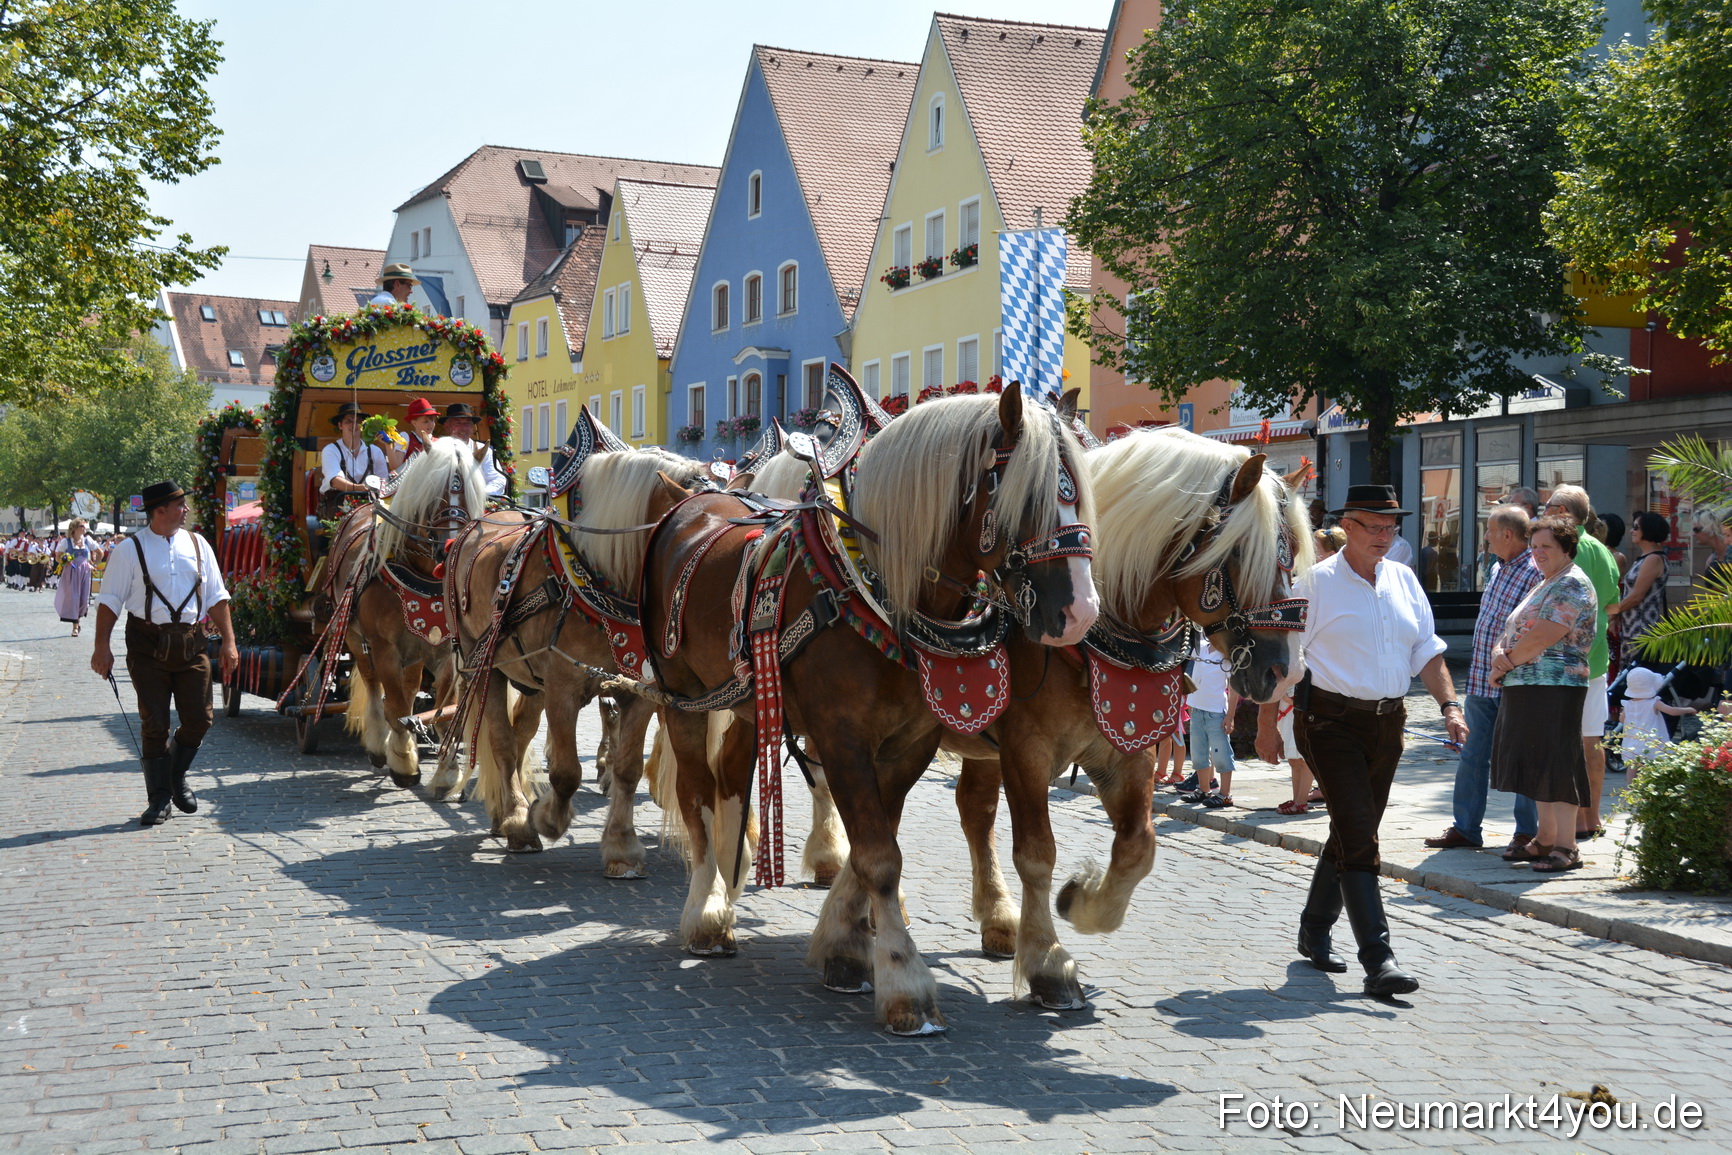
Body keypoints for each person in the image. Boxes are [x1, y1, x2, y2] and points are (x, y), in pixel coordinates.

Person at [1286, 484, 1467, 997]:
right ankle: (1378, 959)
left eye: (1392, 527)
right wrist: (1260, 720)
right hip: (1329, 721)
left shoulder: (1405, 580)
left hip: (1388, 723)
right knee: (1361, 833)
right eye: (1374, 526)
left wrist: (1450, 706)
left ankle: (1314, 928)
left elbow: (1427, 652)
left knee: (1351, 830)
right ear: (1348, 525)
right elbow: (1288, 653)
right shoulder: (1315, 583)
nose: (1385, 537)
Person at [90, 480, 239, 827]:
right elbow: (110, 601)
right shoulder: (130, 550)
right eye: (179, 504)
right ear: (160, 510)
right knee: (154, 723)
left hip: (191, 643)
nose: (185, 509)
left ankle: (174, 775)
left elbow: (217, 597)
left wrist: (229, 643)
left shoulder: (199, 545)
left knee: (200, 720)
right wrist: (102, 646)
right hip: (146, 644)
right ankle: (159, 799)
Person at [1424, 505, 1542, 853]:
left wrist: (1505, 665)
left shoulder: (1534, 572)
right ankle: (1465, 827)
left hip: (1516, 680)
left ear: (1508, 535)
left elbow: (1532, 631)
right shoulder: (1496, 567)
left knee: (1522, 755)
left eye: (1490, 531)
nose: (1486, 537)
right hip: (1480, 680)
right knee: (1473, 753)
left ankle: (1526, 832)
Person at [1489, 517, 1596, 874]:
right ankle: (1545, 837)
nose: (1537, 554)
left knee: (1556, 762)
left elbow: (1542, 636)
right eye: (1534, 547)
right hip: (1526, 685)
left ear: (1566, 548)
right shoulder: (1544, 583)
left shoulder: (1571, 584)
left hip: (1557, 686)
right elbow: (1514, 629)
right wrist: (1499, 653)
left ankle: (1566, 845)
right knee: (1536, 762)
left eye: (1545, 547)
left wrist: (1503, 665)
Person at [1544, 486, 1619, 840]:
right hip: (1596, 657)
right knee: (1592, 742)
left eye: (1546, 508)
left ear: (1560, 510)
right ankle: (1592, 818)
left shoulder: (1567, 547)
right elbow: (1611, 605)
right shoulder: (1602, 550)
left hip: (1564, 658)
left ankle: (1569, 825)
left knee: (1564, 744)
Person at [1262, 526, 1346, 813]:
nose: (1312, 556)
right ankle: (1301, 795)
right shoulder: (1307, 584)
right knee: (1295, 754)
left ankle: (1304, 798)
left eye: (1318, 551)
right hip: (1298, 684)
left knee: (1306, 752)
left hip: (1320, 687)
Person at [1179, 637, 1238, 808]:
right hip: (1197, 709)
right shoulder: (1200, 648)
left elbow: (1234, 688)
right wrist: (1191, 705)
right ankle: (1204, 790)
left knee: (1221, 754)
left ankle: (1225, 794)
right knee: (1199, 754)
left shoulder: (1226, 655)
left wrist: (1230, 716)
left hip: (1216, 711)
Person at [1608, 511, 1669, 673]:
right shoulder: (1645, 557)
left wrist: (1611, 612)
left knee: (1635, 681)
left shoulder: (1654, 559)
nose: (1631, 531)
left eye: (1636, 527)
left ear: (1648, 530)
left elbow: (1636, 596)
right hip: (1632, 629)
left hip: (1641, 630)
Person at [1617, 666, 1695, 777]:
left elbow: (1621, 719)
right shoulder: (1654, 702)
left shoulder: (1628, 704)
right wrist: (1688, 709)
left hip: (1633, 741)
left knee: (1633, 766)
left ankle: (1630, 789)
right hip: (1651, 741)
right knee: (1651, 765)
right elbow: (1672, 711)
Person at [319, 400, 389, 520]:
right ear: (340, 425)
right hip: (337, 505)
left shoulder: (375, 451)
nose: (354, 425)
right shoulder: (331, 450)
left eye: (358, 421)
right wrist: (363, 488)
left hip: (370, 506)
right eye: (349, 421)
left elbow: (384, 482)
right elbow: (335, 481)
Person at [439, 403, 507, 497]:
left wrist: (480, 495)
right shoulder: (438, 450)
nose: (463, 428)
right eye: (458, 423)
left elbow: (497, 479)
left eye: (467, 423)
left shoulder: (483, 450)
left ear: (472, 427)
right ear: (446, 426)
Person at [55, 519, 102, 636]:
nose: (84, 528)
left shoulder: (87, 540)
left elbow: (100, 553)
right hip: (71, 572)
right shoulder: (66, 542)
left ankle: (78, 620)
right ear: (74, 528)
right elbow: (57, 557)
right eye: (82, 526)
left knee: (83, 598)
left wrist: (93, 565)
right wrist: (65, 561)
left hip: (84, 571)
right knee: (74, 597)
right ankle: (75, 626)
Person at [387, 397, 440, 472]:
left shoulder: (439, 442)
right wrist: (388, 445)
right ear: (414, 423)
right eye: (426, 421)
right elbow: (395, 466)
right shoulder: (406, 438)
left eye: (432, 420)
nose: (431, 424)